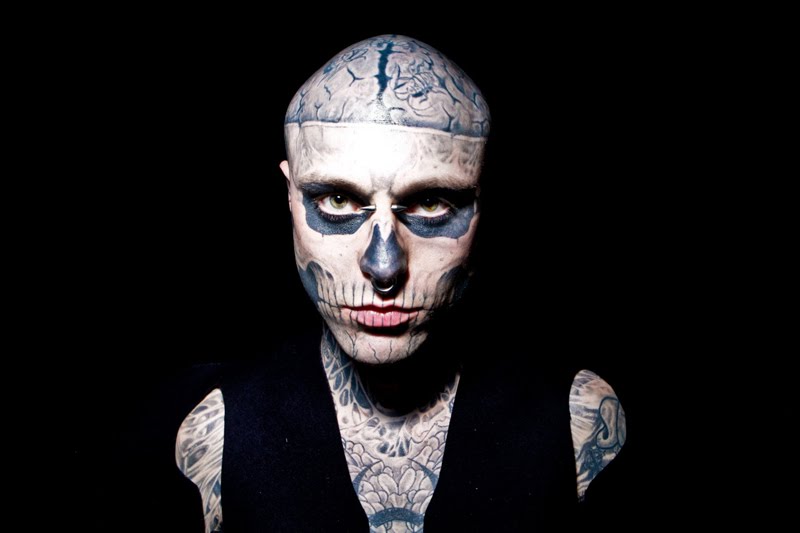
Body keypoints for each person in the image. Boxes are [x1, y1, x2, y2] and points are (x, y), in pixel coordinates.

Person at [174, 34, 627, 532]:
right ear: (289, 196)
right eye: (338, 201)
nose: (384, 267)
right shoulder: (215, 429)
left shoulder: (580, 420)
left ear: (486, 203)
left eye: (431, 203)